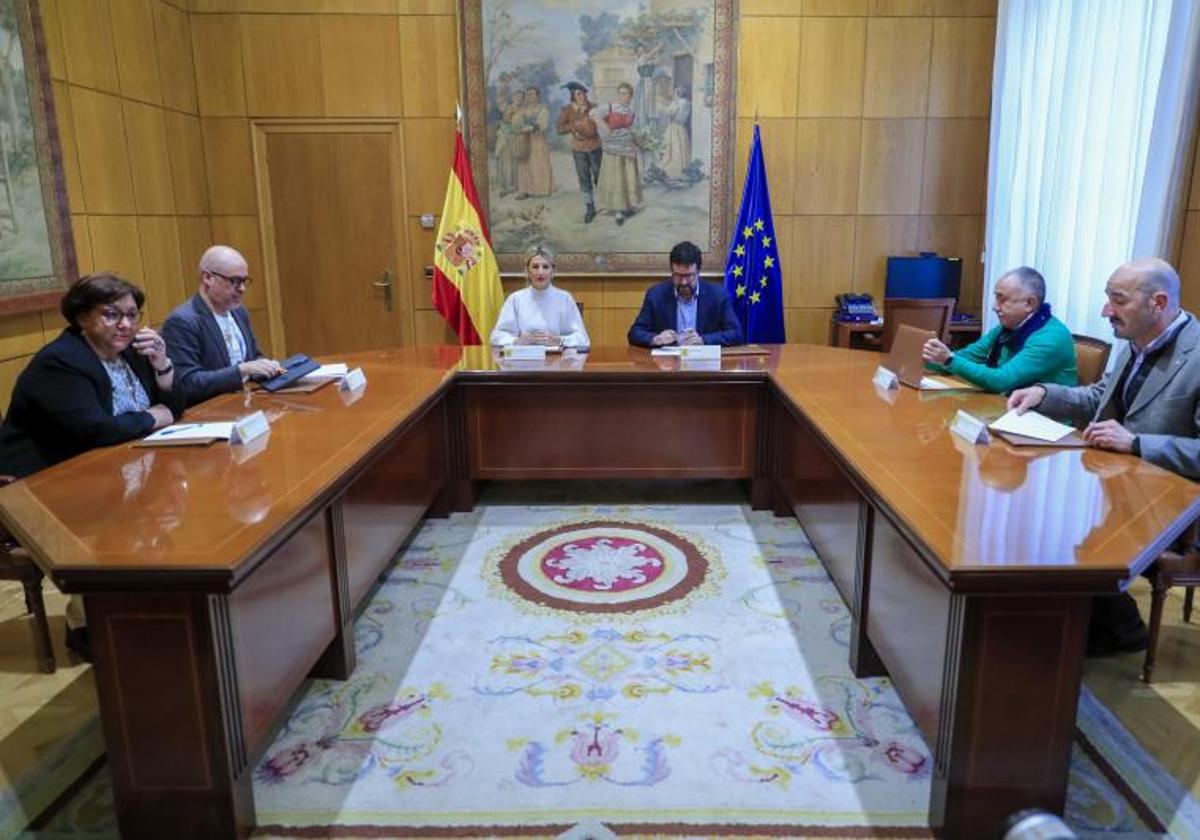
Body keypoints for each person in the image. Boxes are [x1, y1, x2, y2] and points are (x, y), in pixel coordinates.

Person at [1008, 257, 1200, 656]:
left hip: (1173, 503)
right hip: (1122, 483)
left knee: (1057, 522)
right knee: (1031, 504)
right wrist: (1044, 394)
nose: (1105, 311)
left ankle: (1118, 628)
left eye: (1118, 300)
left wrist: (1136, 443)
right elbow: (1101, 397)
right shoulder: (1137, 343)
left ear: (1158, 303)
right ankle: (1077, 617)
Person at [0, 273, 186, 660]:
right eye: (111, 314)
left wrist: (163, 363)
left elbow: (175, 407)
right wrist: (153, 417)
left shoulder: (130, 352)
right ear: (82, 317)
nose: (125, 325)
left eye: (132, 315)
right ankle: (88, 626)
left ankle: (147, 613)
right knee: (131, 518)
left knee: (169, 508)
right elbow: (95, 430)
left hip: (103, 468)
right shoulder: (61, 363)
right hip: (35, 486)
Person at [922, 266, 1077, 393]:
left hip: (1043, 421)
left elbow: (1002, 380)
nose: (995, 307)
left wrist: (948, 359)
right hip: (1006, 407)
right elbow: (967, 356)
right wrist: (925, 357)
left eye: (1002, 299)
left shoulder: (1051, 338)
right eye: (996, 298)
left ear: (1029, 304)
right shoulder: (1008, 328)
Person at [162, 245, 283, 406]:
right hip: (209, 412)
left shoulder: (239, 312)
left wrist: (267, 366)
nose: (242, 288)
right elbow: (187, 384)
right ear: (208, 278)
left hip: (246, 403)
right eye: (235, 281)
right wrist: (241, 371)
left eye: (244, 281)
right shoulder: (183, 321)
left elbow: (253, 357)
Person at [628, 241, 743, 347]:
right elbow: (635, 333)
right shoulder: (656, 295)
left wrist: (703, 340)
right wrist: (655, 339)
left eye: (688, 276)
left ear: (698, 272)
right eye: (678, 275)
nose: (683, 282)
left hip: (704, 363)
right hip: (667, 364)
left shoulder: (718, 295)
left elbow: (736, 334)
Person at [490, 245, 588, 348]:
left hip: (557, 360)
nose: (540, 272)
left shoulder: (565, 298)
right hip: (523, 360)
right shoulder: (515, 299)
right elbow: (496, 337)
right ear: (527, 270)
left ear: (553, 271)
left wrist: (559, 340)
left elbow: (582, 339)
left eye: (545, 267)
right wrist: (517, 340)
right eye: (535, 267)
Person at [595, 82, 642, 225]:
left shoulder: (630, 112)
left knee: (628, 177)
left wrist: (640, 143)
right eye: (620, 93)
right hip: (612, 148)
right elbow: (595, 116)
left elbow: (634, 130)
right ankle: (617, 209)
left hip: (627, 148)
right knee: (616, 178)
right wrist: (605, 128)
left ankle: (627, 206)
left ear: (631, 96)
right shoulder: (609, 107)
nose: (622, 96)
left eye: (625, 93)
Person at [556, 82, 602, 223]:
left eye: (584, 93)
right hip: (579, 149)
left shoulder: (594, 107)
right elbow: (559, 128)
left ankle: (609, 202)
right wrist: (573, 125)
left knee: (599, 175)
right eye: (579, 94)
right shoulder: (568, 110)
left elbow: (603, 123)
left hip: (595, 146)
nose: (582, 96)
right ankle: (590, 207)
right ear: (573, 96)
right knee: (584, 178)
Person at [515, 87, 553, 199]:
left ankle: (540, 190)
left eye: (531, 94)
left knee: (538, 164)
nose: (529, 97)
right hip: (525, 140)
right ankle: (524, 190)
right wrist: (518, 126)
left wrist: (531, 128)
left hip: (538, 140)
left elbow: (543, 124)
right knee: (524, 164)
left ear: (537, 96)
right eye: (527, 95)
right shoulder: (523, 110)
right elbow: (516, 120)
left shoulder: (543, 109)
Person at [658, 85, 692, 180]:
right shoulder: (688, 103)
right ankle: (682, 169)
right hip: (682, 128)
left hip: (674, 128)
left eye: (675, 92)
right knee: (682, 148)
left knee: (673, 149)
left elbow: (670, 112)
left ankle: (673, 171)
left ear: (677, 94)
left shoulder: (677, 103)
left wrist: (661, 106)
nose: (673, 94)